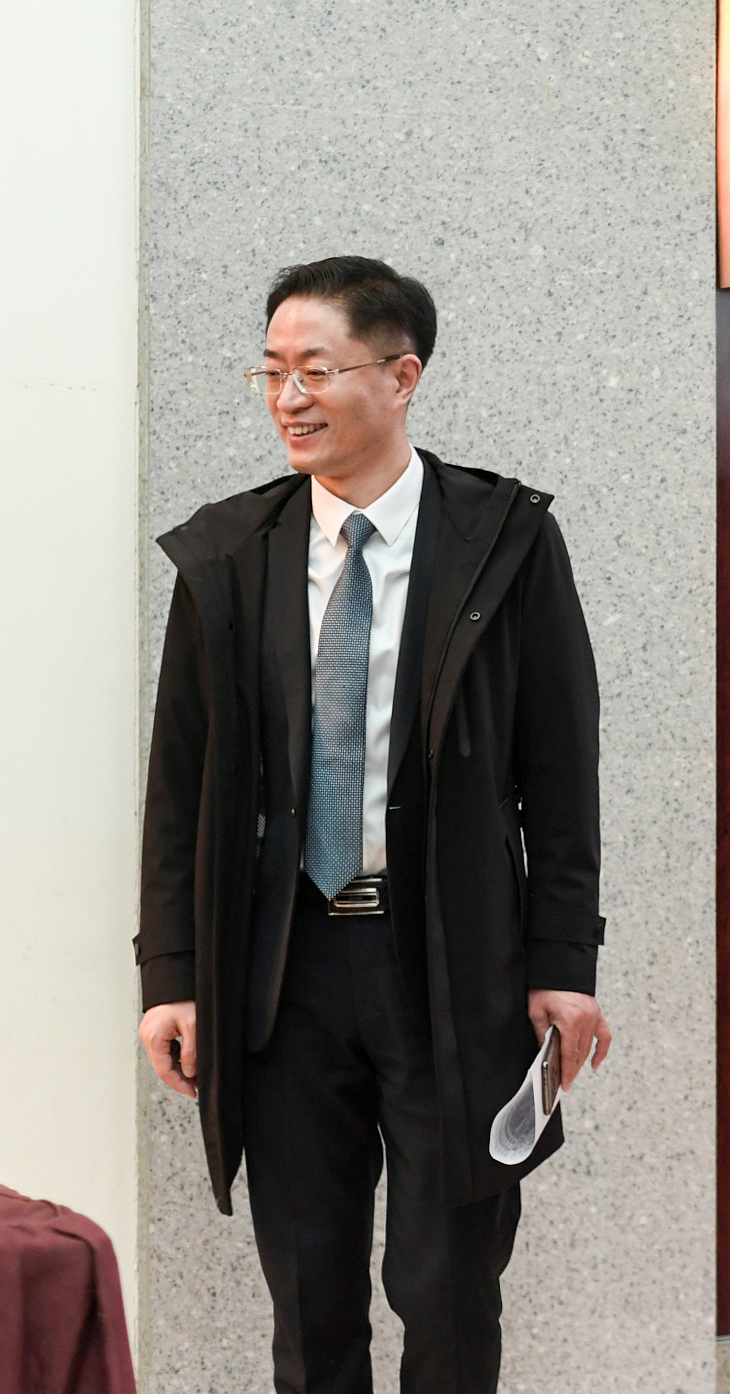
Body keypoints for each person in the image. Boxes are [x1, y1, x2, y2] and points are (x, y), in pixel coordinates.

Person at [135, 256, 614, 1394]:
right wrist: (173, 974)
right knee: (308, 1298)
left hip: (448, 961)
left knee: (448, 1289)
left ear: (402, 376)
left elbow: (561, 771)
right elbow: (180, 785)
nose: (288, 398)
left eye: (315, 370)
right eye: (271, 373)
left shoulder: (502, 538)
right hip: (282, 968)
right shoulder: (228, 554)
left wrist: (563, 963)